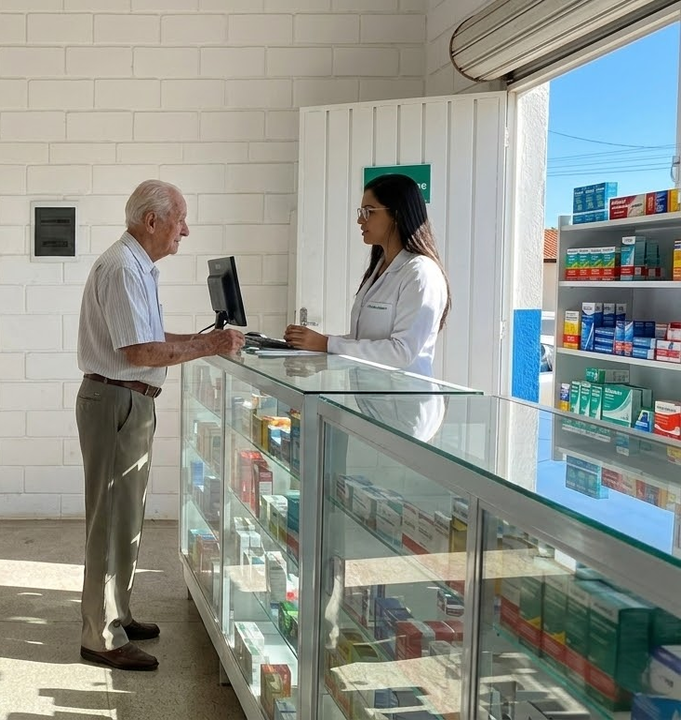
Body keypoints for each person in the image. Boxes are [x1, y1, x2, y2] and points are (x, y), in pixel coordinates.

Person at [75, 180, 244, 672]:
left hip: (128, 401)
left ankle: (117, 613)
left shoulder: (137, 267)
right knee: (109, 522)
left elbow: (147, 338)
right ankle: (99, 636)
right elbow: (140, 353)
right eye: (180, 220)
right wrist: (209, 347)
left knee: (126, 518)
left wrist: (198, 338)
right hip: (116, 401)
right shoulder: (123, 268)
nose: (184, 231)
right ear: (153, 221)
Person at [283, 173, 451, 378]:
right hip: (370, 397)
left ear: (396, 214)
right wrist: (314, 342)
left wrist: (326, 344)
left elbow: (401, 352)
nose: (360, 220)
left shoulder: (421, 273)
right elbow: (361, 341)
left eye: (368, 212)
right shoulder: (379, 268)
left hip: (405, 403)